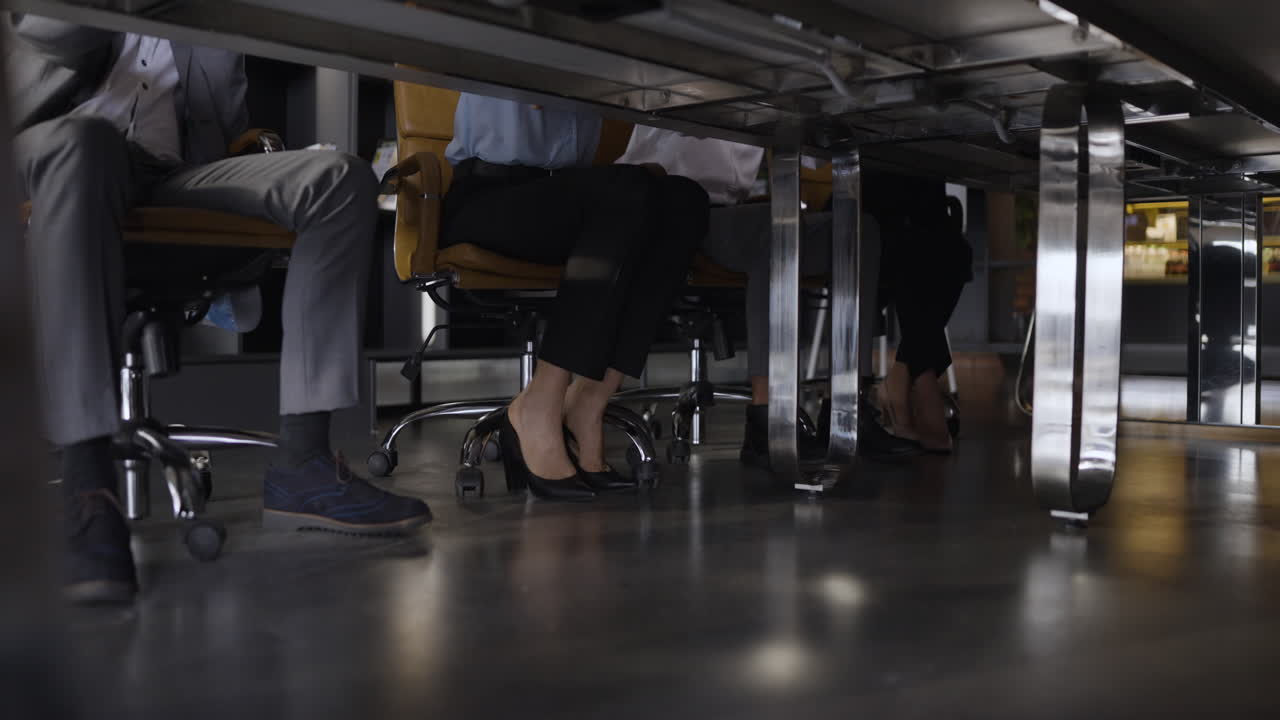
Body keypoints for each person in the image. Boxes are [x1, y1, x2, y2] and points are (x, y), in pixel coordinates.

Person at [10, 16, 432, 605]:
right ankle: (87, 487)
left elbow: (223, 120)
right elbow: (49, 34)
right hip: (52, 157)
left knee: (339, 180)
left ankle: (304, 462)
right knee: (87, 143)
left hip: (169, 173)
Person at [615, 126, 970, 464]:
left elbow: (816, 152)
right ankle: (766, 419)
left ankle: (845, 411)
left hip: (738, 208)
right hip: (680, 210)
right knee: (778, 233)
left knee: (861, 232)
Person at [442, 94, 708, 501]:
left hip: (571, 198)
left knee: (684, 200)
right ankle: (537, 405)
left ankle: (588, 400)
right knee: (628, 187)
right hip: (488, 194)